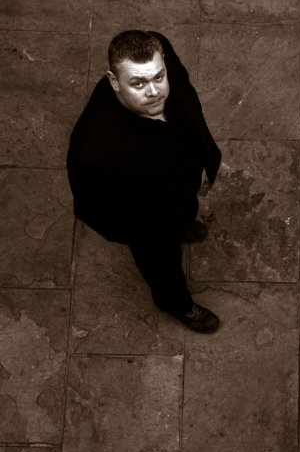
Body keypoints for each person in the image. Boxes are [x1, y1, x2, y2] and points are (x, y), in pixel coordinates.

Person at [67, 30, 222, 333]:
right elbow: (96, 212)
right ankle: (175, 302)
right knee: (162, 265)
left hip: (180, 184)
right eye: (137, 83)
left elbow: (187, 99)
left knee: (183, 212)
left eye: (158, 77)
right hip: (148, 221)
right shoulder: (91, 152)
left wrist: (202, 161)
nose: (154, 92)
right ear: (114, 81)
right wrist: (149, 236)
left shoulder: (158, 50)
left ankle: (182, 224)